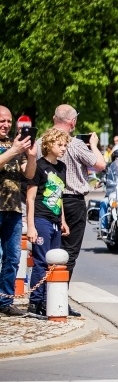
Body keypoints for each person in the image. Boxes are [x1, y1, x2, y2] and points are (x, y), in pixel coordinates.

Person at [49, 105, 106, 317]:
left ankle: (40, 299)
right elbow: (100, 165)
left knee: (45, 251)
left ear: (54, 118)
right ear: (73, 123)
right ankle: (58, 300)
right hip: (72, 201)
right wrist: (93, 145)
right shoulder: (74, 144)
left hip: (47, 201)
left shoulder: (41, 141)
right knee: (68, 253)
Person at [25, 128, 70, 316]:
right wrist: (31, 226)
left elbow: (59, 196)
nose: (63, 148)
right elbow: (30, 198)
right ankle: (35, 302)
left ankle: (48, 301)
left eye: (65, 145)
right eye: (60, 145)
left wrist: (63, 220)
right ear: (48, 145)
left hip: (55, 220)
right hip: (41, 219)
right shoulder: (39, 166)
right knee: (41, 261)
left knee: (54, 263)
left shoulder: (62, 168)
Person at [0, 107, 38, 316]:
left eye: (8, 121)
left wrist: (30, 156)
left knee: (13, 257)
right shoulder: (12, 147)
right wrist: (13, 151)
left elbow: (29, 174)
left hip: (13, 208)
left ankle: (5, 301)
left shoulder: (15, 145)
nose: (5, 125)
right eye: (1, 121)